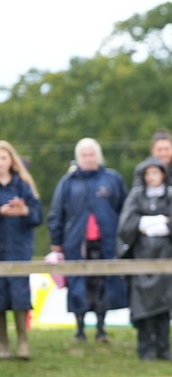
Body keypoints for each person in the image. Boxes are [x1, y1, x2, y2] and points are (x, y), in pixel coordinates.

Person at [49, 138, 129, 343]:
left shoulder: (112, 179)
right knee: (78, 285)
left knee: (103, 284)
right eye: (84, 154)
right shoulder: (68, 182)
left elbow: (125, 210)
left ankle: (101, 329)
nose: (88, 158)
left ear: (98, 155)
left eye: (91, 154)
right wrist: (56, 241)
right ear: (78, 157)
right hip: (76, 244)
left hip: (106, 242)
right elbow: (57, 213)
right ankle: (80, 329)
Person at [118, 157, 172, 361]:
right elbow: (126, 224)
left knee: (163, 304)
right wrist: (149, 221)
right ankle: (145, 348)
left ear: (163, 174)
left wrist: (162, 224)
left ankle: (163, 347)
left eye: (156, 173)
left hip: (165, 254)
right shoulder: (136, 196)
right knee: (142, 305)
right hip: (142, 255)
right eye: (148, 174)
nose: (152, 178)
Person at [0, 141, 43, 360]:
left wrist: (25, 210)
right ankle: (3, 344)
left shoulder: (23, 186)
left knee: (19, 296)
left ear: (12, 160)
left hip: (18, 249)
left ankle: (22, 341)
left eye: (3, 157)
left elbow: (38, 217)